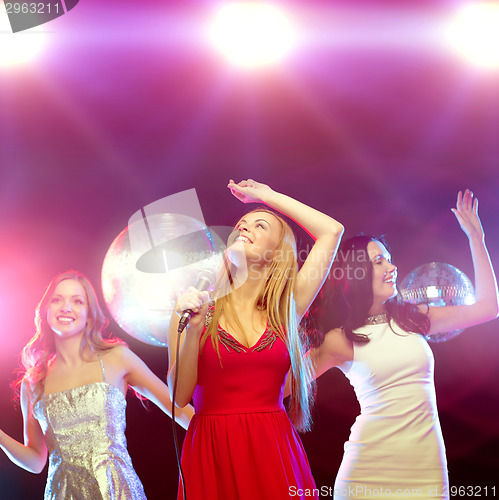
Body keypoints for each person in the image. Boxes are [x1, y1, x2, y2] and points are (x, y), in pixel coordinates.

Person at [308, 189, 499, 500]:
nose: (392, 267)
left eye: (390, 259)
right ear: (357, 273)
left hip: (426, 469)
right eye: (379, 261)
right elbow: (281, 384)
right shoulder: (339, 339)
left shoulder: (414, 317)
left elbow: (488, 308)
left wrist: (476, 240)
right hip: (367, 474)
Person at [167, 179, 344, 500]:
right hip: (212, 450)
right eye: (240, 225)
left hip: (272, 447)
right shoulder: (192, 308)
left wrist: (266, 197)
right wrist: (192, 329)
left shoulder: (286, 308)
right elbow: (179, 397)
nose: (244, 227)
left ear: (277, 254)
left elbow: (332, 231)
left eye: (259, 225)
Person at [0, 270, 194, 499]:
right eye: (57, 299)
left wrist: (224, 438)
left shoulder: (117, 357)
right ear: (45, 311)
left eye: (77, 301)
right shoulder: (33, 383)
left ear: (90, 315)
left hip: (117, 492)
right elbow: (35, 461)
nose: (66, 307)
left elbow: (179, 409)